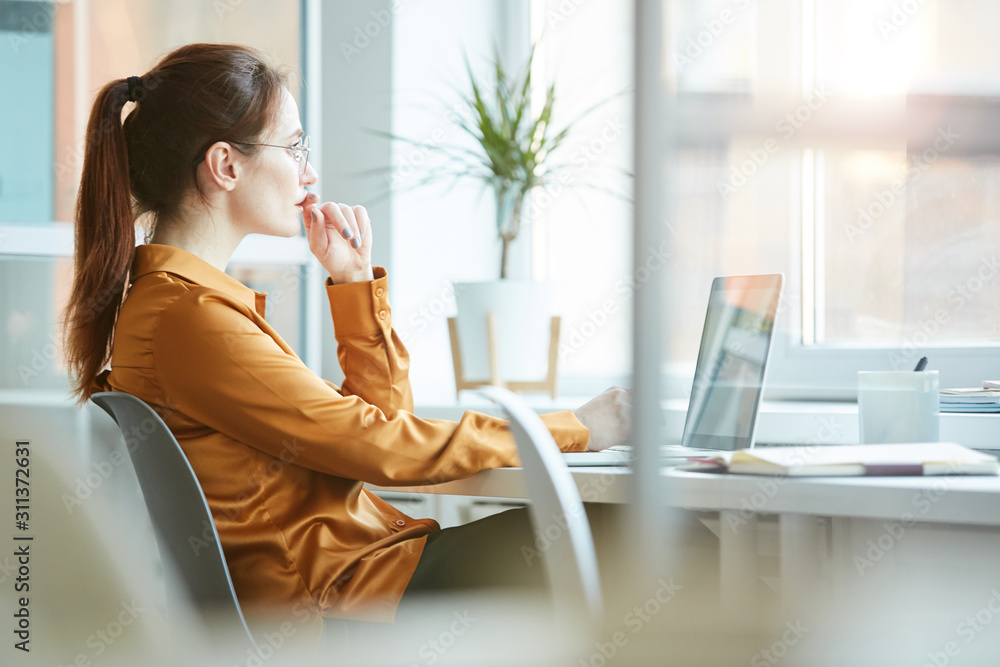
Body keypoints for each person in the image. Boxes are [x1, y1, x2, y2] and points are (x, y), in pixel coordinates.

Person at [63, 43, 630, 646]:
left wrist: (354, 285)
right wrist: (575, 428)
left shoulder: (187, 305)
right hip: (346, 599)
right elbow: (380, 447)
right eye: (294, 147)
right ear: (226, 165)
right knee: (655, 540)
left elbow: (385, 424)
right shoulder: (188, 317)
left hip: (364, 578)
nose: (308, 171)